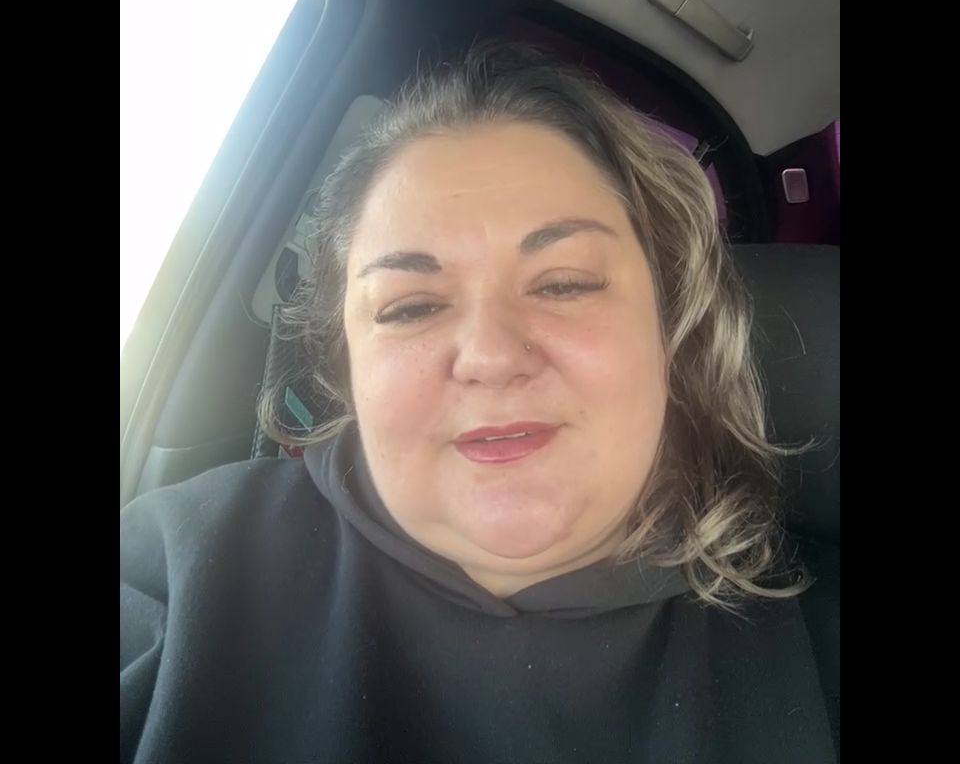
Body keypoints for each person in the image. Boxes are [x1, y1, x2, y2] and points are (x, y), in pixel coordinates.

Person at [121, 43, 836, 763]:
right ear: (347, 361)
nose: (491, 357)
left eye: (564, 284)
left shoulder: (812, 636)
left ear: (671, 327)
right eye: (411, 306)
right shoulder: (178, 574)